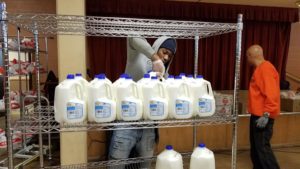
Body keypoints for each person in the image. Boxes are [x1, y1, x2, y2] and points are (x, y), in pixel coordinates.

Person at [108, 36, 176, 169]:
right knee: (117, 163)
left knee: (144, 164)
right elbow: (133, 38)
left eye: (170, 55)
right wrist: (154, 58)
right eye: (164, 52)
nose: (166, 58)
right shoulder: (137, 57)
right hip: (126, 123)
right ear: (157, 48)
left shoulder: (164, 74)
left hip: (148, 126)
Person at [246, 45, 280, 169]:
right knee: (256, 149)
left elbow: (272, 94)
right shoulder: (260, 69)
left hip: (263, 116)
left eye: (247, 56)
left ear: (251, 55)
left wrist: (266, 114)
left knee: (262, 150)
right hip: (257, 115)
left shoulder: (265, 69)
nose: (247, 59)